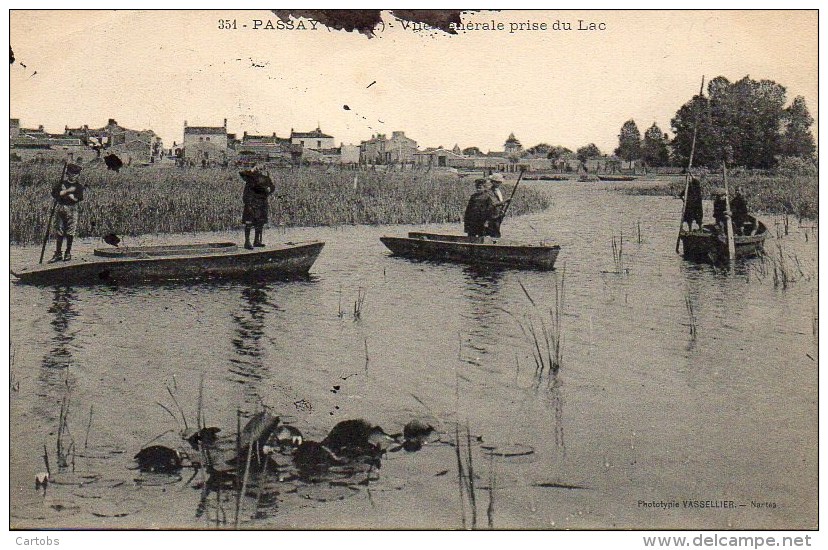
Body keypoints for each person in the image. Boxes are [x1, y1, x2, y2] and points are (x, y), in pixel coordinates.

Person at [48, 163, 84, 263]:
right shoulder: (61, 184)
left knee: (70, 231)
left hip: (73, 209)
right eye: (71, 174)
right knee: (59, 230)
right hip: (61, 207)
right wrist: (68, 192)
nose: (73, 176)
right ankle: (58, 253)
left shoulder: (79, 186)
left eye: (76, 174)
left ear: (78, 175)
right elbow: (55, 194)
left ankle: (68, 252)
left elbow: (76, 199)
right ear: (67, 173)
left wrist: (65, 192)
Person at [239, 165, 276, 249]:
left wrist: (269, 189)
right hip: (251, 203)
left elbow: (272, 187)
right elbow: (242, 174)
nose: (260, 170)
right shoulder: (250, 178)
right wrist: (252, 170)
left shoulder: (266, 178)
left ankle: (257, 241)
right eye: (258, 168)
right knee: (249, 223)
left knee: (260, 222)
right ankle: (247, 242)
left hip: (262, 203)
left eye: (261, 169)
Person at [486, 172, 511, 238]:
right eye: (497, 182)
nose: (499, 184)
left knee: (496, 231)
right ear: (492, 182)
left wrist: (502, 210)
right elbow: (494, 203)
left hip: (498, 214)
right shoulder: (489, 191)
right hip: (492, 215)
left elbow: (500, 201)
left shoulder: (498, 190)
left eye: (499, 182)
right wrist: (505, 201)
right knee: (494, 232)